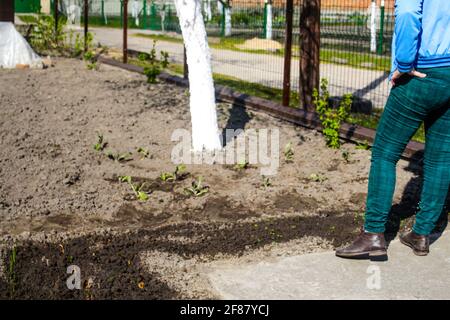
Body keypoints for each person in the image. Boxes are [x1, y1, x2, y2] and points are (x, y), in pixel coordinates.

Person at [336, 0, 450, 259]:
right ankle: (421, 234)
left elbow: (409, 11)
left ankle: (373, 234)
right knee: (441, 158)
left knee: (385, 153)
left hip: (423, 70)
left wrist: (405, 62)